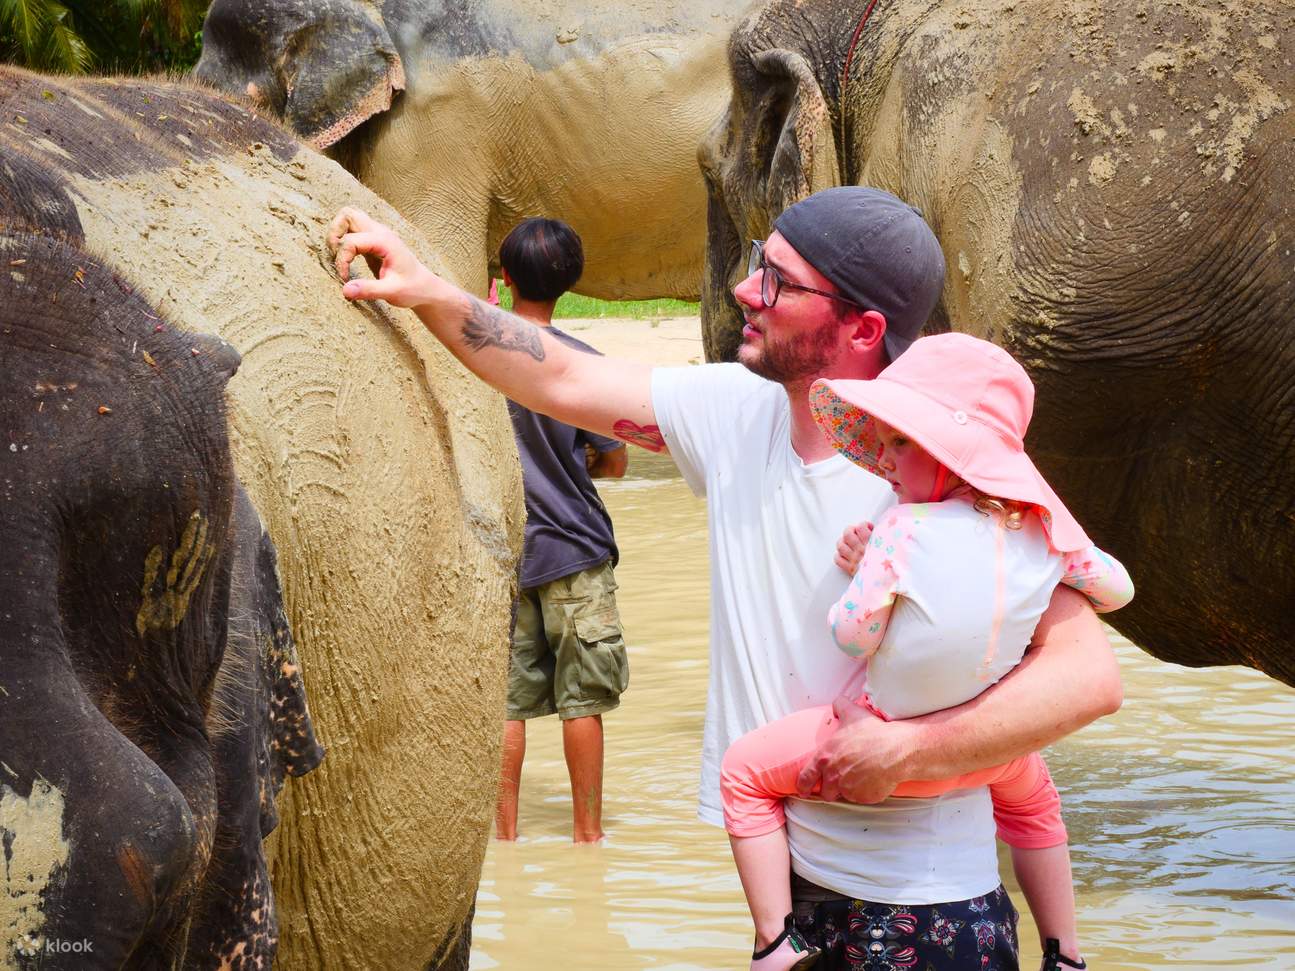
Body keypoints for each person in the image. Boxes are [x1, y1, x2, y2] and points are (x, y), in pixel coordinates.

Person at [327, 185, 1124, 970]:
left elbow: (1088, 677)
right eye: (756, 263)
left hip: (925, 908)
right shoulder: (734, 410)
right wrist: (425, 289)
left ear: (862, 327)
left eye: (779, 281)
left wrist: (910, 748)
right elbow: (559, 378)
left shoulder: (942, 468)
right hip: (790, 894)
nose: (745, 290)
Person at [721, 332, 1134, 971]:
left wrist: (869, 578)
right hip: (985, 757)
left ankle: (773, 943)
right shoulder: (1044, 539)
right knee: (1037, 810)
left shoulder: (901, 530)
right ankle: (1065, 952)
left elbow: (853, 635)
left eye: (900, 442)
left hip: (874, 741)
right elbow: (1117, 589)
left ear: (951, 454)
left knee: (743, 772)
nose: (885, 460)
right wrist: (1054, 554)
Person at [491, 217, 630, 844]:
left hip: (505, 555)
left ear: (504, 275)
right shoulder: (584, 363)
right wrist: (579, 461)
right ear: (571, 281)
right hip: (576, 551)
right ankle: (587, 837)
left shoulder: (477, 357)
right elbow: (617, 463)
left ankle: (504, 837)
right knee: (584, 701)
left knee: (507, 703)